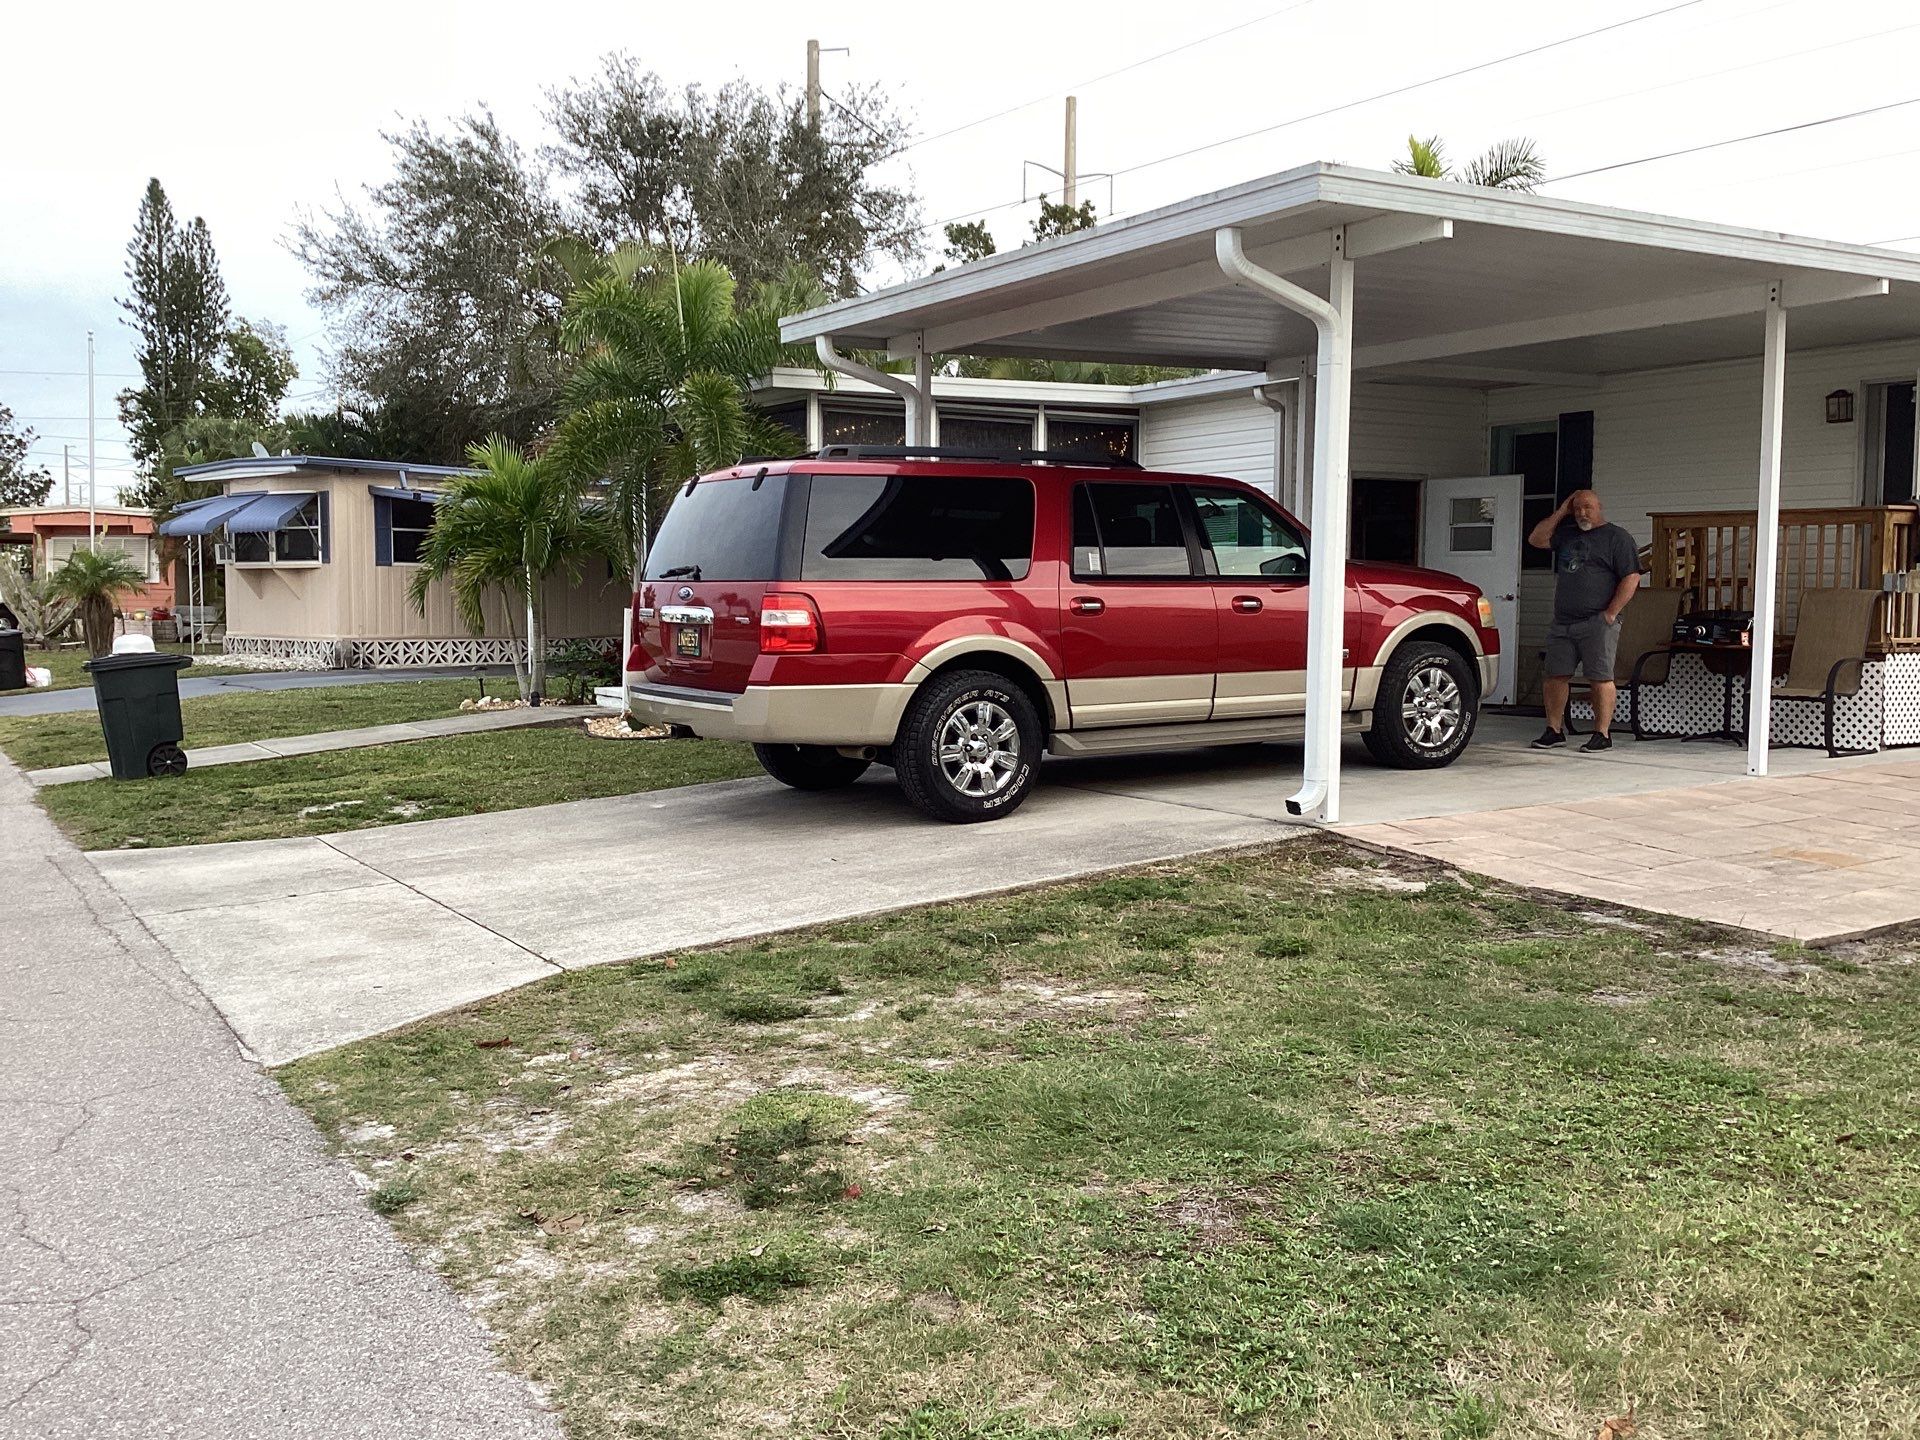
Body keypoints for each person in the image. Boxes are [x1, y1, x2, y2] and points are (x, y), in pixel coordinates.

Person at [1527, 488, 1642, 753]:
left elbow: (1631, 577)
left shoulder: (1617, 537)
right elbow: (1536, 539)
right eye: (1577, 508)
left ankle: (1602, 733)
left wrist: (1611, 613)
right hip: (1563, 622)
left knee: (1600, 677)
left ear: (1599, 507)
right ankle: (1554, 730)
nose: (1582, 512)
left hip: (1597, 621)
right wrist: (1561, 511)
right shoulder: (1567, 534)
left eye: (1587, 507)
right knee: (1555, 675)